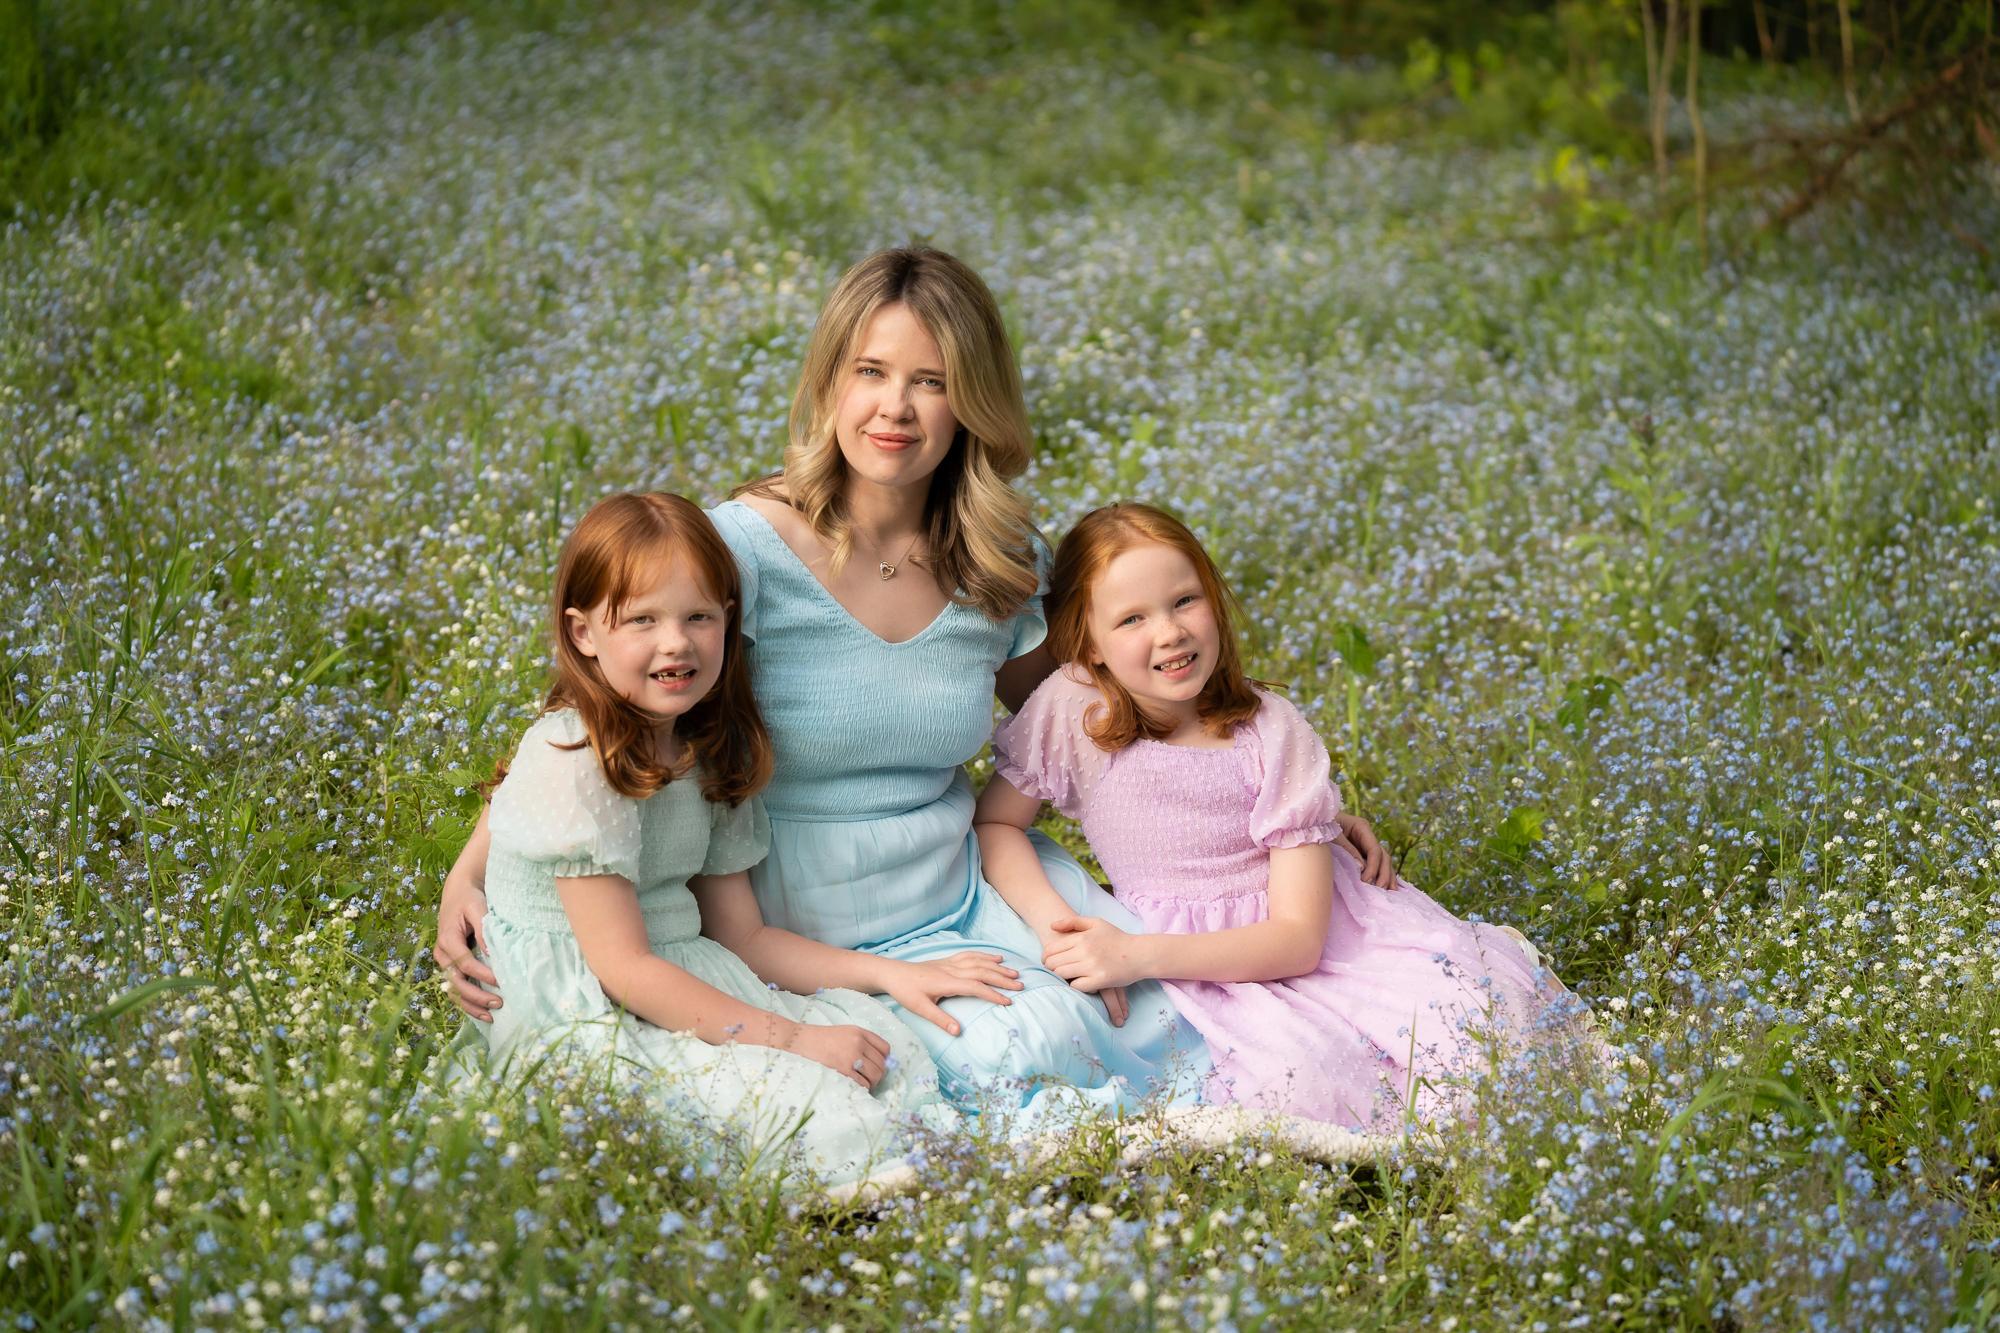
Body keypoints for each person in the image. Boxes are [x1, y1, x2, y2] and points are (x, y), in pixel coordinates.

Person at [440, 248, 1211, 1122]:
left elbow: (1089, 719)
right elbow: (597, 715)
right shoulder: (744, 547)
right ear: (828, 382)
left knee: (1141, 1010)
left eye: (931, 380)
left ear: (974, 401)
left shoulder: (1000, 561)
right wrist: (474, 868)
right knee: (973, 1062)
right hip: (784, 905)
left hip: (956, 880)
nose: (895, 407)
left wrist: (1271, 780)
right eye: (870, 372)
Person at [975, 502, 1576, 1129]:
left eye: (1185, 601)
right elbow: (997, 825)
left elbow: (1298, 940)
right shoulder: (1071, 711)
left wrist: (1139, 957)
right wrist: (1058, 927)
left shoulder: (1270, 731)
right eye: (1131, 618)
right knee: (1287, 1079)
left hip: (1312, 941)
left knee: (1471, 1041)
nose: (1170, 632)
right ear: (1088, 645)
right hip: (1165, 945)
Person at [462, 490, 989, 1186]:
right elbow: (623, 968)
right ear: (584, 632)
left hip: (680, 970)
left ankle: (871, 1166)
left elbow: (745, 938)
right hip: (588, 1003)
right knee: (774, 1104)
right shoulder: (574, 757)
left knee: (877, 1052)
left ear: (728, 623)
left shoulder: (702, 752)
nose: (675, 642)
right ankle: (836, 1193)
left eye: (698, 617)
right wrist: (795, 1038)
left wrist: (891, 975)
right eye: (641, 620)